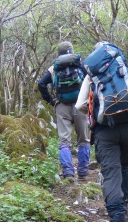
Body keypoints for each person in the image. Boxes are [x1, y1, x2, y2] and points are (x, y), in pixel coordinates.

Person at [75, 42, 128, 222]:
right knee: (124, 167)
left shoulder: (91, 76)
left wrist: (95, 113)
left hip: (105, 130)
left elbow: (79, 106)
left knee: (110, 171)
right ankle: (123, 203)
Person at [38, 41, 90, 180]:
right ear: (72, 51)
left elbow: (41, 83)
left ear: (59, 53)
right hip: (81, 106)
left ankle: (68, 172)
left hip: (61, 106)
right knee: (83, 140)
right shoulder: (80, 65)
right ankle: (83, 173)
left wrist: (50, 100)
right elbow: (91, 81)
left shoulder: (54, 68)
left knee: (64, 141)